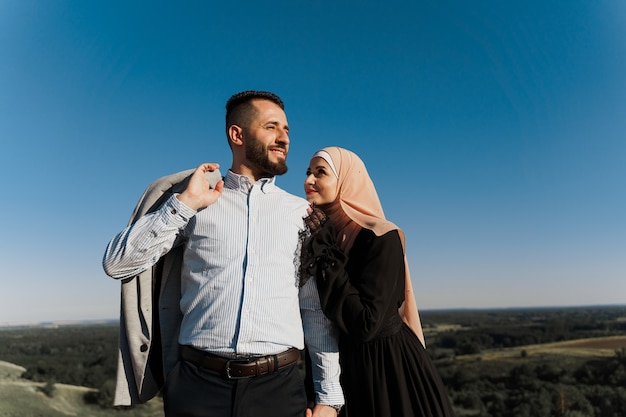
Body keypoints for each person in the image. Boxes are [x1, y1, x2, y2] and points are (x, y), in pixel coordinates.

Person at [102, 91, 344, 417]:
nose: (284, 138)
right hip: (196, 387)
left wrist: (328, 398)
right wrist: (184, 205)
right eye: (272, 127)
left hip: (278, 391)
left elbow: (314, 309)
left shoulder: (301, 214)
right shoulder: (195, 201)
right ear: (237, 134)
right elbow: (117, 264)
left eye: (286, 130)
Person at [301, 146, 455, 417]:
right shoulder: (317, 235)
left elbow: (366, 323)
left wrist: (325, 250)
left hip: (385, 371)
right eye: (308, 172)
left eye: (320, 172)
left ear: (347, 181)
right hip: (337, 370)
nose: (309, 180)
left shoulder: (382, 238)